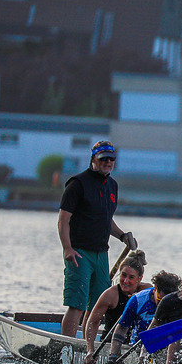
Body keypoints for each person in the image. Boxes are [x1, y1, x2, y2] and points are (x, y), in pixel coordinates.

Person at [58, 140, 137, 337]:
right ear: (94, 159)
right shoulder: (77, 184)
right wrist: (67, 248)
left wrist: (122, 236)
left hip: (101, 253)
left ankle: (88, 348)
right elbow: (63, 220)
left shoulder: (112, 185)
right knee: (76, 304)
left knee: (97, 306)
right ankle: (66, 345)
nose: (108, 162)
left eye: (111, 159)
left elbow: (106, 219)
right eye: (103, 159)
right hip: (79, 252)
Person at [83, 250, 150, 364]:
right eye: (123, 275)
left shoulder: (147, 291)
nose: (126, 281)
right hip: (110, 344)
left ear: (139, 278)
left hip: (136, 346)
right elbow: (93, 322)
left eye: (131, 277)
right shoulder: (110, 295)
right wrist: (90, 349)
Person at [108, 270, 179, 358]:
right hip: (137, 347)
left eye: (167, 302)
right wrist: (113, 355)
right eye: (160, 300)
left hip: (165, 349)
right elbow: (122, 328)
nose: (163, 305)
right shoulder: (137, 300)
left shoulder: (178, 302)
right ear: (155, 289)